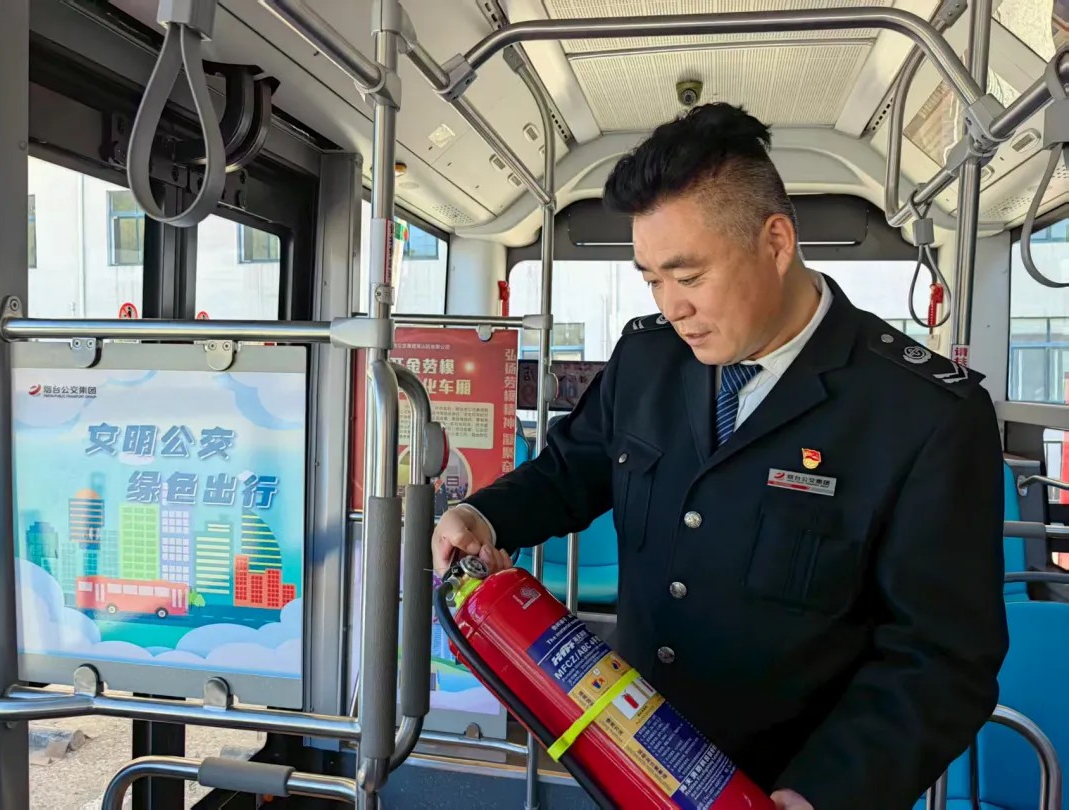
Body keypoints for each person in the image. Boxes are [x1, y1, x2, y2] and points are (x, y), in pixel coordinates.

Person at [430, 102, 1009, 810]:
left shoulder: (923, 414)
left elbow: (942, 660)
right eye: (652, 279)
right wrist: (483, 516)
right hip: (629, 762)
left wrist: (821, 794)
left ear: (776, 242)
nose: (672, 306)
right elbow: (569, 472)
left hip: (781, 787)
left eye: (689, 276)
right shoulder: (646, 359)